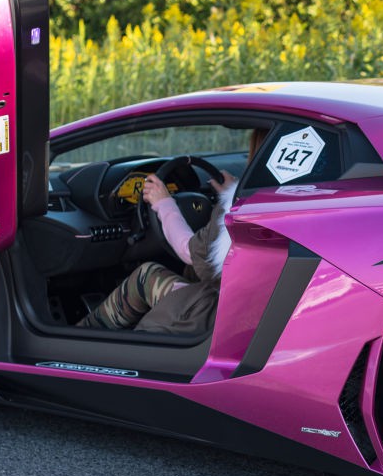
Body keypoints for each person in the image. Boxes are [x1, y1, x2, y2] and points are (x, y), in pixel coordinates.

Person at [79, 129, 266, 334]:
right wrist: (232, 191)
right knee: (189, 274)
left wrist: (164, 203)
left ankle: (81, 337)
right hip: (256, 308)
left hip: (216, 312)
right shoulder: (274, 197)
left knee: (145, 275)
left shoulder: (236, 208)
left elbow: (190, 253)